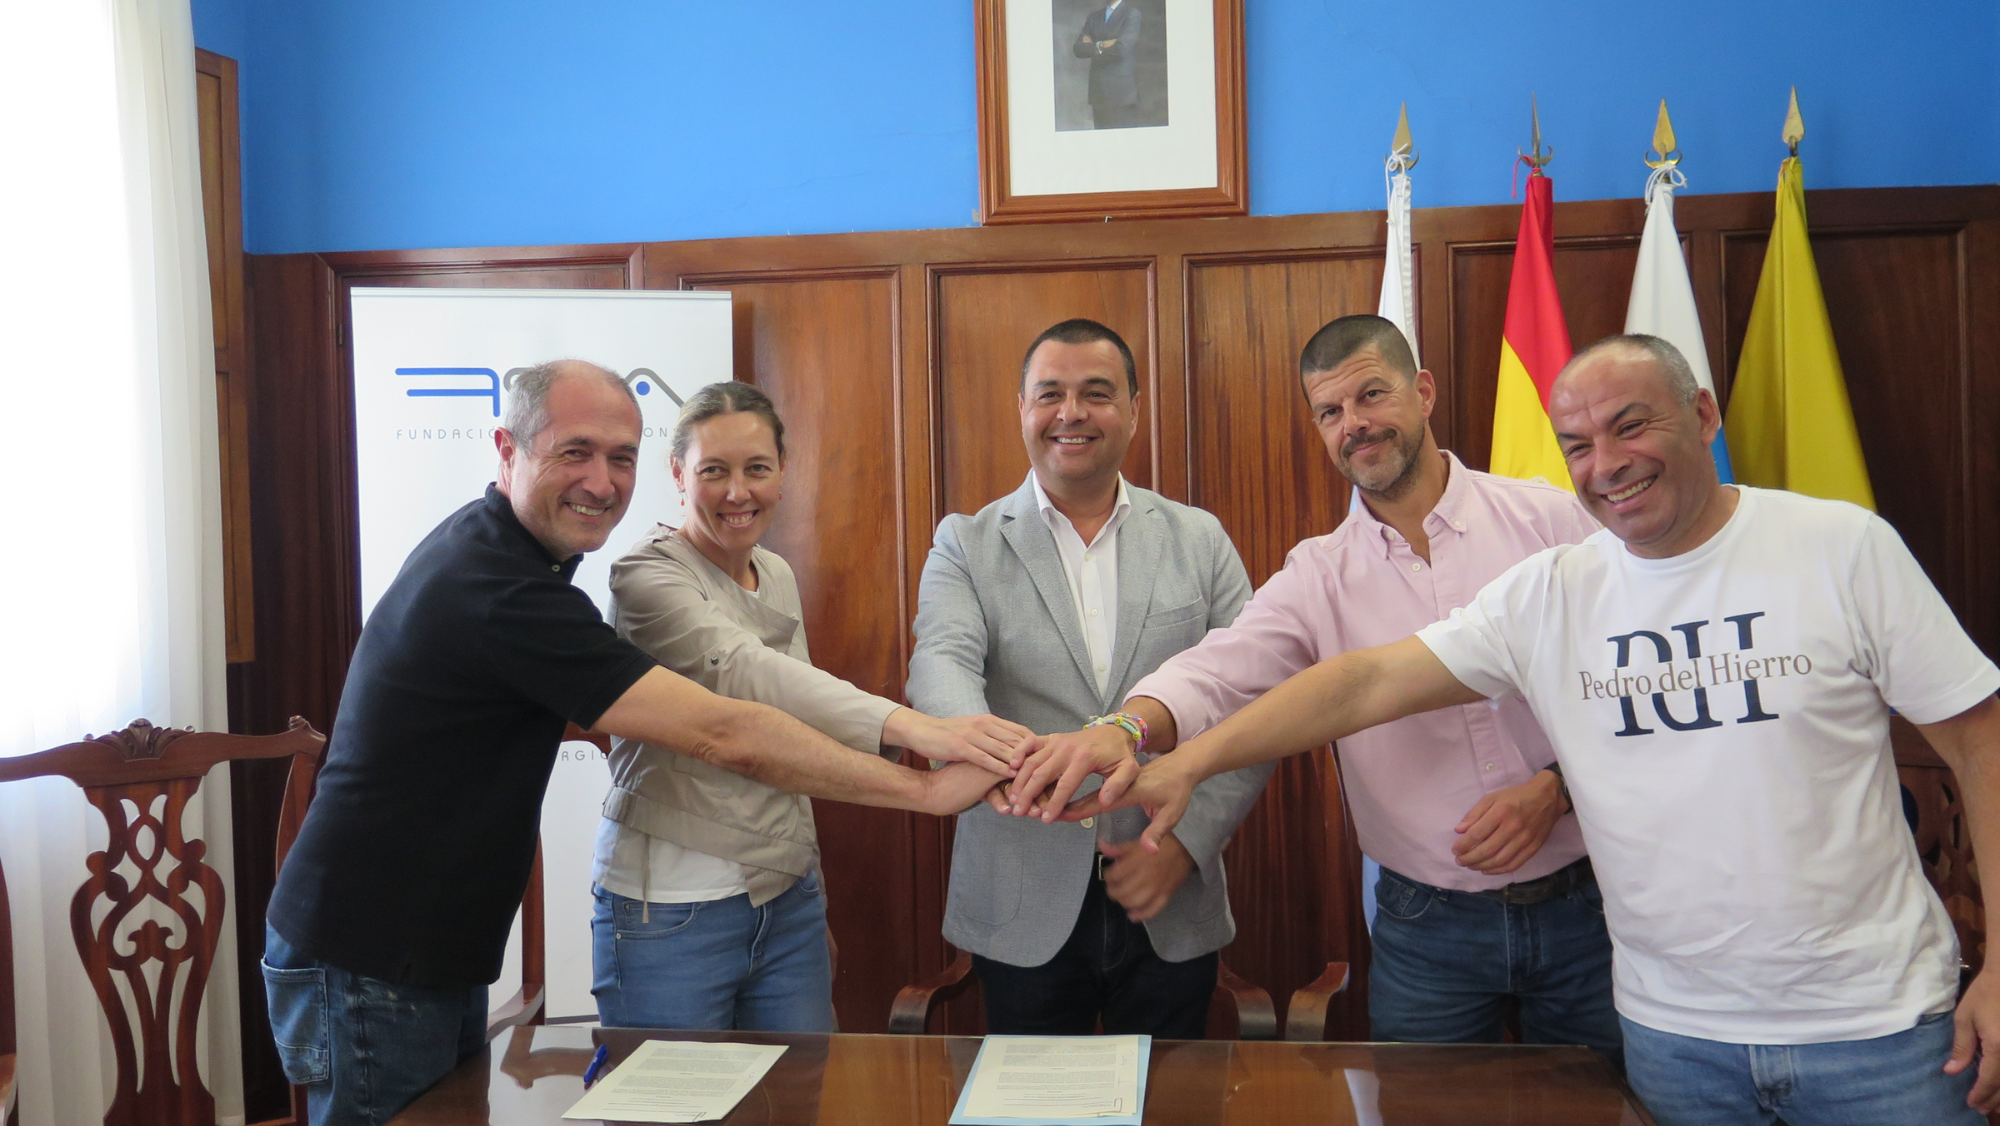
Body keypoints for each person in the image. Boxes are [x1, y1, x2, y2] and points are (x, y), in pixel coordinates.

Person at [1072, 334, 2000, 1124]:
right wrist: (1173, 752)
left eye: (1632, 425)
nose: (1607, 464)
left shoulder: (1820, 547)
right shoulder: (1548, 588)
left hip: (1872, 1028)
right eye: (1579, 444)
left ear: (1706, 417)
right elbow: (1351, 684)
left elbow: (1979, 742)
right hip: (1662, 1028)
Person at [264, 361, 1018, 1126]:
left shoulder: (525, 557)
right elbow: (728, 727)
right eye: (575, 452)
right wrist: (923, 774)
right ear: (506, 449)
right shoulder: (506, 586)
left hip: (429, 948)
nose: (601, 480)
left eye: (619, 456)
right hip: (371, 952)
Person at [1008, 314, 1618, 1059]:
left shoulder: (1551, 521)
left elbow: (1629, 685)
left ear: (1422, 392)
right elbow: (1217, 668)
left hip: (1587, 903)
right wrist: (1128, 728)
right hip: (1428, 931)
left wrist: (1555, 788)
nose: (1354, 425)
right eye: (1331, 412)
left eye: (1371, 396)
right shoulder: (1318, 574)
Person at [592, 382, 1030, 1032]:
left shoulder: (775, 573)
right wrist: (920, 733)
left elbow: (794, 741)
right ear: (679, 473)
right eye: (714, 471)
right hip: (672, 908)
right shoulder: (645, 578)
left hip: (785, 898)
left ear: (782, 473)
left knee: (797, 1100)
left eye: (757, 470)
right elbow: (748, 674)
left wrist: (808, 900)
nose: (738, 492)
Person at [907, 319, 1271, 1038]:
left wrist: (1187, 844)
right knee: (1033, 1109)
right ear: (1022, 409)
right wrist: (998, 765)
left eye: (1096, 394)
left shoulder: (1199, 540)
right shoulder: (967, 542)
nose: (1070, 413)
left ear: (1134, 408)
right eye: (1051, 394)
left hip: (1169, 889)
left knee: (1172, 1105)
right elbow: (940, 663)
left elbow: (1256, 696)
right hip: (1019, 888)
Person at [1072, 0, 1142, 129]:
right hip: (1098, 93)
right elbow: (1078, 49)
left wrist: (1092, 46)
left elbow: (1121, 50)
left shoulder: (1132, 14)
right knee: (1102, 142)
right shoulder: (1094, 17)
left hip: (1122, 94)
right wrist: (1102, 44)